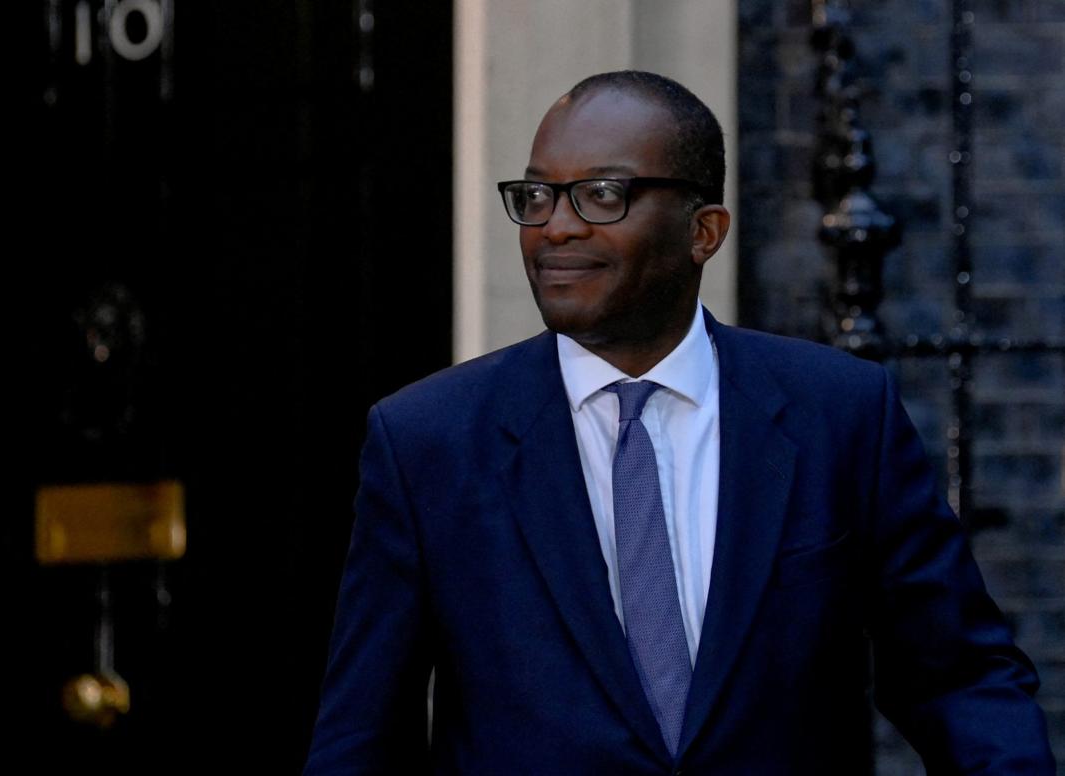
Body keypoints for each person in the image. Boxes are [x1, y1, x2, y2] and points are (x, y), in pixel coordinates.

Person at [303, 71, 1054, 774]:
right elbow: (364, 737)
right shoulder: (428, 441)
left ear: (705, 230)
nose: (554, 228)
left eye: (600, 194)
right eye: (537, 196)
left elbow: (958, 677)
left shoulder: (841, 414)